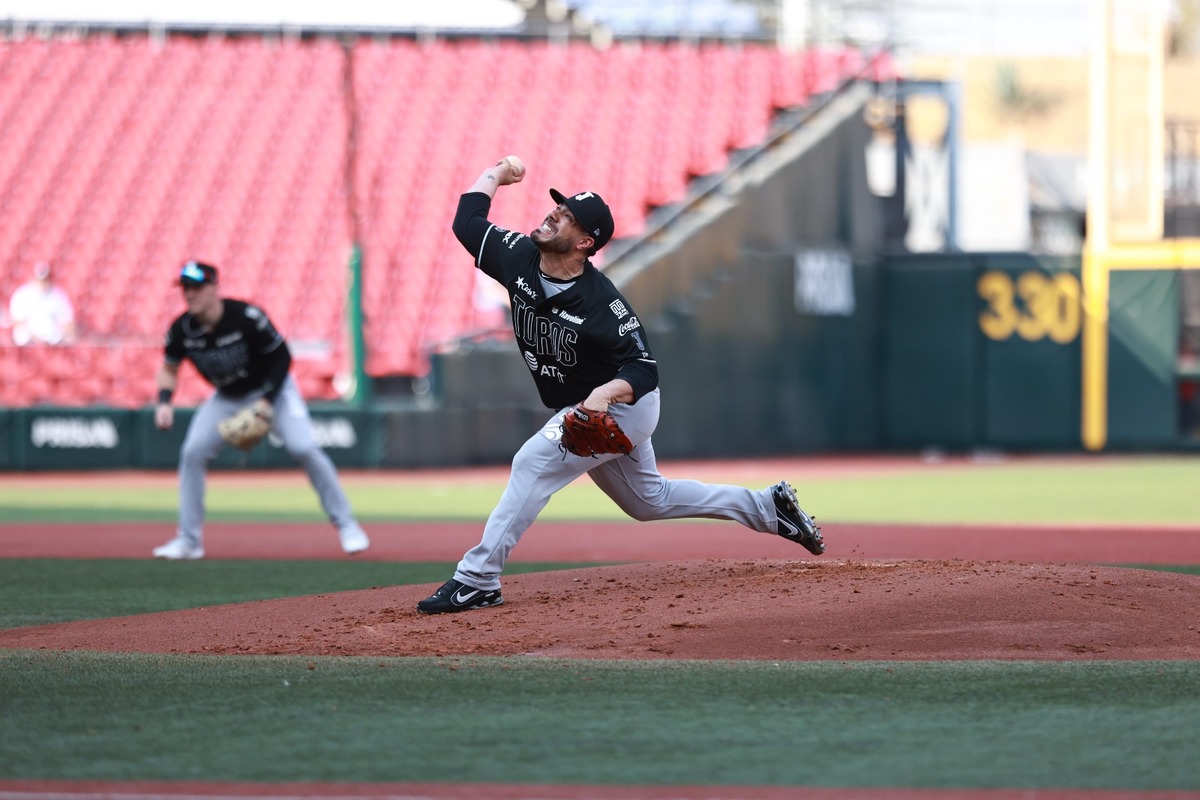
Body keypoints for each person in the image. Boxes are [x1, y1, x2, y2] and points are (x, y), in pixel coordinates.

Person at [416, 158, 824, 614]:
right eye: (559, 208)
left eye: (568, 216)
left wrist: (605, 395)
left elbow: (644, 369)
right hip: (586, 404)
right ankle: (769, 507)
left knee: (531, 462)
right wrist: (496, 174)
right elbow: (467, 221)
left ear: (585, 242)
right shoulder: (517, 257)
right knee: (650, 501)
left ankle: (477, 580)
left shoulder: (603, 305)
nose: (555, 215)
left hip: (626, 406)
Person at [151, 260, 369, 560]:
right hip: (227, 396)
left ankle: (346, 525)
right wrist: (164, 401)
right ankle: (189, 541)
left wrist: (266, 401)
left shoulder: (245, 317)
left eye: (197, 287)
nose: (190, 294)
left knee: (304, 447)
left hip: (273, 390)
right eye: (185, 288)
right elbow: (169, 368)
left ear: (215, 287)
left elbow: (282, 357)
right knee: (192, 452)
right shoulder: (181, 329)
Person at [8, 261, 77, 346]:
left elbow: (68, 320)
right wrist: (35, 336)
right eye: (40, 280)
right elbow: (16, 320)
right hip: (28, 340)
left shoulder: (58, 295)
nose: (42, 284)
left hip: (52, 341)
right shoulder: (22, 294)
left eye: (45, 280)